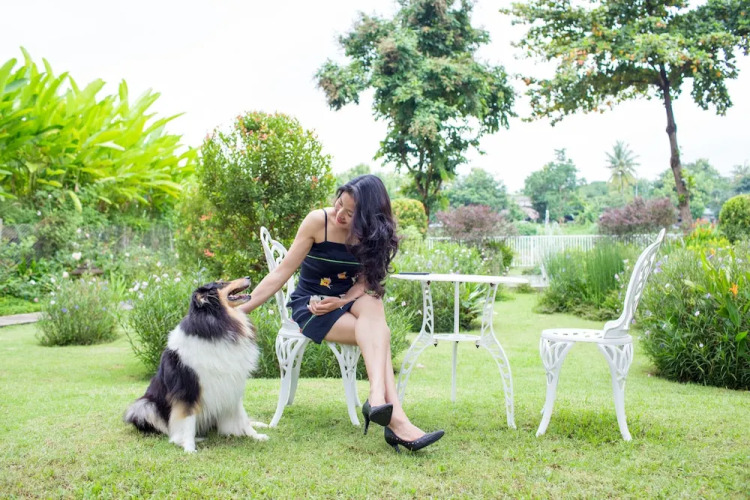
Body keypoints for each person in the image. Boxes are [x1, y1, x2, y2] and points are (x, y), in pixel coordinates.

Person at [238, 174, 443, 452]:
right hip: (313, 305)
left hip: (347, 300)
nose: (339, 215)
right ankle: (393, 416)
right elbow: (281, 274)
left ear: (368, 218)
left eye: (349, 213)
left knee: (373, 304)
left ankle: (379, 400)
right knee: (379, 333)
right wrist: (239, 311)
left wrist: (341, 300)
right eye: (339, 205)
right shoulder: (317, 222)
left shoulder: (372, 235)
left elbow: (366, 282)